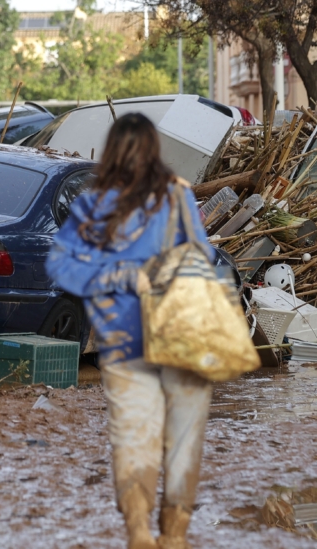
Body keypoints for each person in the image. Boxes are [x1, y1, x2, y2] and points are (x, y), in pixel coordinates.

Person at [47, 114, 213, 549]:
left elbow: (63, 266)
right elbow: (204, 257)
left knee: (136, 440)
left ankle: (140, 532)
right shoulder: (178, 196)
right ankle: (172, 537)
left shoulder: (95, 203)